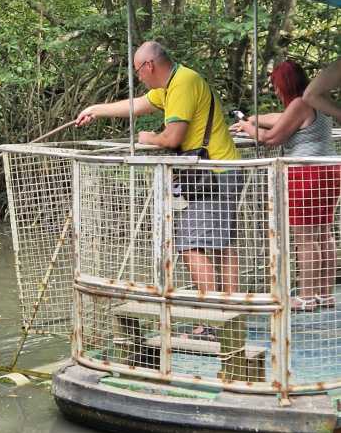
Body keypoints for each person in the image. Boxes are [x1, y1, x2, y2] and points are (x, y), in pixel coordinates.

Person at [76, 41, 242, 298]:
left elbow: (172, 138)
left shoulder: (182, 84)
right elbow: (138, 104)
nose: (138, 77)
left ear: (149, 65)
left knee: (190, 245)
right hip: (221, 170)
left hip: (212, 174)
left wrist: (149, 138)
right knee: (222, 244)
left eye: (137, 71)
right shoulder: (172, 84)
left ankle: (214, 317)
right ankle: (231, 314)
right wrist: (95, 110)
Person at [231, 60, 340, 311]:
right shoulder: (316, 101)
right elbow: (279, 119)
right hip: (330, 170)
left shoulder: (299, 103)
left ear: (284, 84)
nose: (276, 91)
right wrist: (255, 119)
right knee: (323, 233)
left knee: (305, 236)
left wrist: (247, 126)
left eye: (276, 86)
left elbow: (270, 138)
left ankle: (306, 296)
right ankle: (324, 293)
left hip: (307, 173)